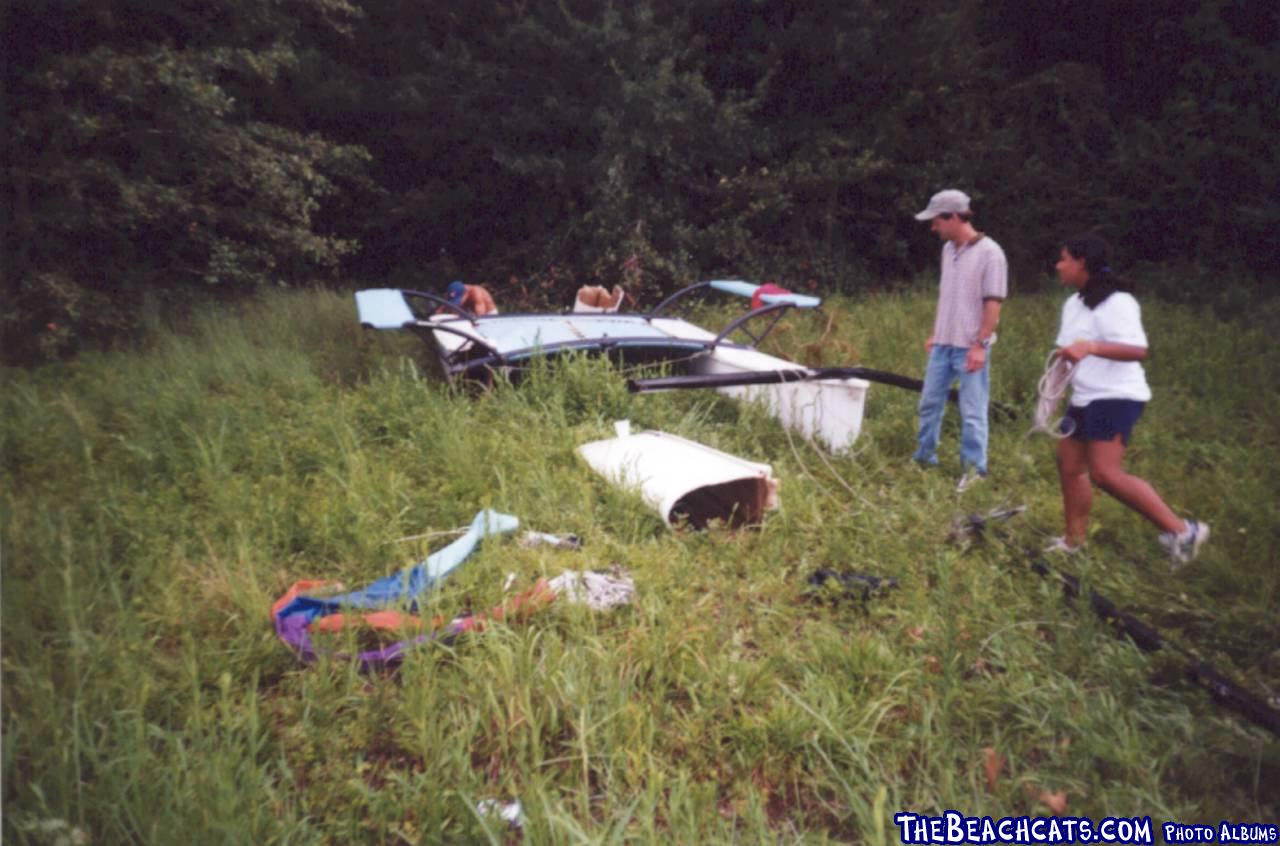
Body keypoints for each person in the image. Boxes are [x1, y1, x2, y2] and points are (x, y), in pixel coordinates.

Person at [1047, 233, 1208, 565]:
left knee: (1105, 474)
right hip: (1084, 397)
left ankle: (1183, 532)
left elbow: (1138, 350)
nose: (1058, 265)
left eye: (1064, 258)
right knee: (1069, 465)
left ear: (1082, 262)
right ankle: (1073, 542)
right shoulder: (1073, 304)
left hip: (1117, 397)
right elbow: (1066, 355)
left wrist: (1091, 347)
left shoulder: (1119, 302)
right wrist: (1052, 392)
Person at [911, 189, 1008, 492]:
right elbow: (949, 298)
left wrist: (981, 345)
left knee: (972, 410)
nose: (933, 227)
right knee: (929, 402)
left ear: (952, 217)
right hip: (944, 343)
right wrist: (936, 332)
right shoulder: (948, 251)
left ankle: (975, 470)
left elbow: (993, 303)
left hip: (971, 346)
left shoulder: (991, 253)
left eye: (936, 221)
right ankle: (925, 457)